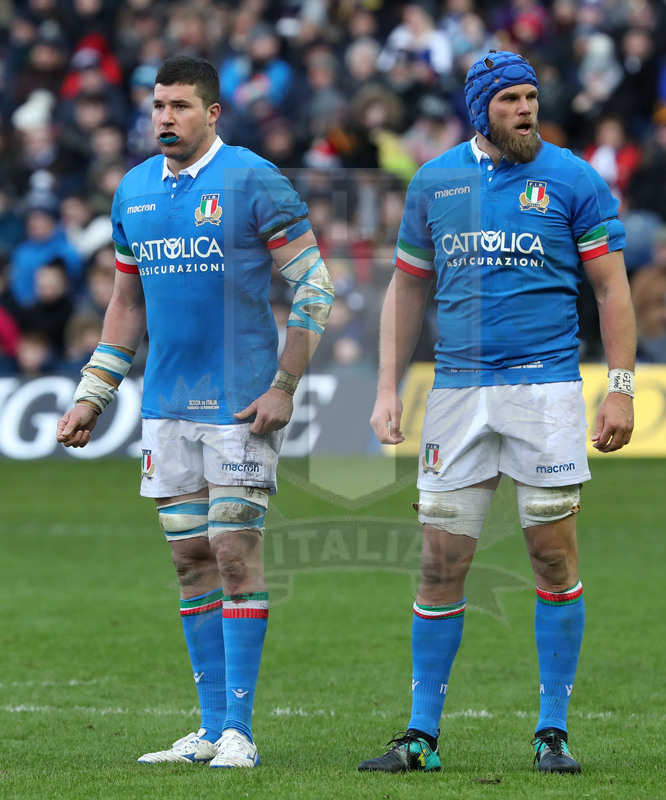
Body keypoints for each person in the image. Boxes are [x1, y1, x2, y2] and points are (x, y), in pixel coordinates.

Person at [360, 50, 635, 775]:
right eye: (510, 98)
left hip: (543, 391)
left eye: (531, 97)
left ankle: (553, 731)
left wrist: (621, 385)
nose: (526, 109)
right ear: (479, 107)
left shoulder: (572, 178)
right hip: (454, 393)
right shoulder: (435, 181)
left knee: (551, 554)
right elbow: (407, 289)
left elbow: (611, 290)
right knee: (440, 561)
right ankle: (421, 736)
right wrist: (387, 386)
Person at [56, 56, 334, 769]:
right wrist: (95, 391)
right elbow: (125, 304)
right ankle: (210, 728)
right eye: (157, 106)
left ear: (213, 113)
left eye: (180, 106)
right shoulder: (135, 191)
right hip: (167, 406)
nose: (164, 118)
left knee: (234, 553)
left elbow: (314, 287)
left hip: (240, 405)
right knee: (189, 561)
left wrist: (285, 385)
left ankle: (239, 730)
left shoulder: (251, 178)